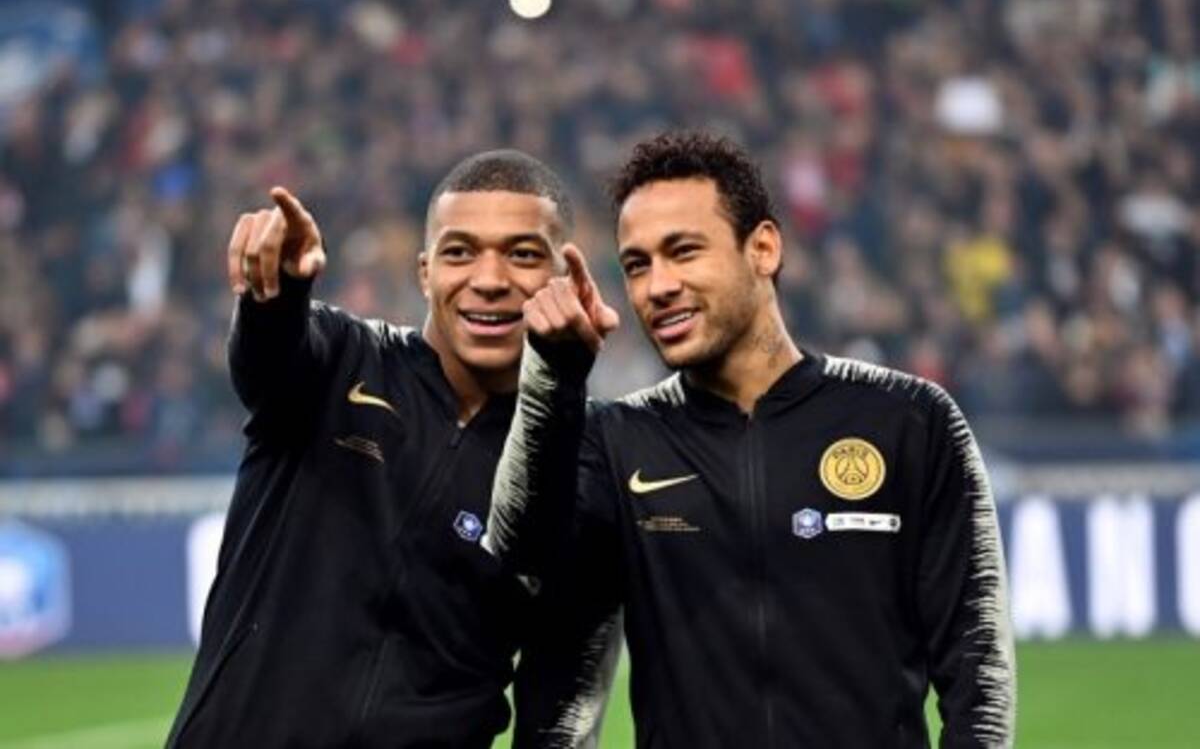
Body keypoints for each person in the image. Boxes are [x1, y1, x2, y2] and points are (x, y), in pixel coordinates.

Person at [487, 131, 1016, 748]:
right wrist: (552, 377)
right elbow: (522, 555)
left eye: (683, 251)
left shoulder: (909, 421)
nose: (657, 286)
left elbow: (979, 674)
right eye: (637, 265)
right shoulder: (616, 441)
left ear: (763, 248)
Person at [167, 150, 587, 748]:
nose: (490, 280)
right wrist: (275, 296)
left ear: (565, 279)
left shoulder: (569, 454)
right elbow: (267, 361)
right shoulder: (341, 361)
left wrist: (561, 387)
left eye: (522, 255)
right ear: (425, 273)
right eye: (459, 252)